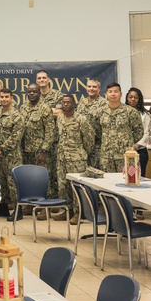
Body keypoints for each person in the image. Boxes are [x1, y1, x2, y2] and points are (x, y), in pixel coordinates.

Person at [56, 95, 94, 224]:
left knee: (76, 187)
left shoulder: (81, 119)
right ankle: (68, 210)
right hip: (62, 158)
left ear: (74, 104)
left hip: (76, 158)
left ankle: (79, 212)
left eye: (68, 102)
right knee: (63, 185)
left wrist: (82, 153)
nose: (66, 104)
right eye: (64, 102)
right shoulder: (60, 119)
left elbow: (89, 139)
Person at [0, 89, 24, 219]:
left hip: (11, 156)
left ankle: (17, 210)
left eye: (6, 97)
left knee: (12, 184)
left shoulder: (16, 115)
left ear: (11, 98)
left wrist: (1, 148)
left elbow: (16, 137)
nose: (3, 99)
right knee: (0, 182)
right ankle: (2, 208)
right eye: (2, 97)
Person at [97, 83, 144, 173]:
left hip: (125, 155)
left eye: (116, 91)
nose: (113, 94)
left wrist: (127, 142)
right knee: (107, 183)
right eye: (110, 92)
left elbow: (139, 131)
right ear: (106, 94)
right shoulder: (100, 112)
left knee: (128, 181)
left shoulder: (130, 111)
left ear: (121, 94)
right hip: (106, 156)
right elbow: (97, 131)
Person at [21, 84, 54, 170]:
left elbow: (50, 131)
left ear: (39, 93)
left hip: (39, 151)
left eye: (34, 92)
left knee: (40, 179)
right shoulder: (23, 107)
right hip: (25, 151)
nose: (32, 94)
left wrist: (44, 151)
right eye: (29, 92)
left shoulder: (45, 108)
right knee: (28, 178)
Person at [77, 78, 108, 167]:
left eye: (94, 87)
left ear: (99, 89)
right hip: (83, 145)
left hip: (97, 145)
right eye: (89, 86)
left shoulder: (104, 103)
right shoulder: (82, 102)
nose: (91, 89)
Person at [126, 87, 151, 173]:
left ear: (139, 99)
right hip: (125, 151)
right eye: (130, 97)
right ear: (127, 98)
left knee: (139, 178)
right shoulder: (122, 113)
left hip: (140, 151)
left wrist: (137, 145)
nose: (133, 99)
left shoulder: (145, 114)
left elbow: (147, 133)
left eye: (136, 97)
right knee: (126, 176)